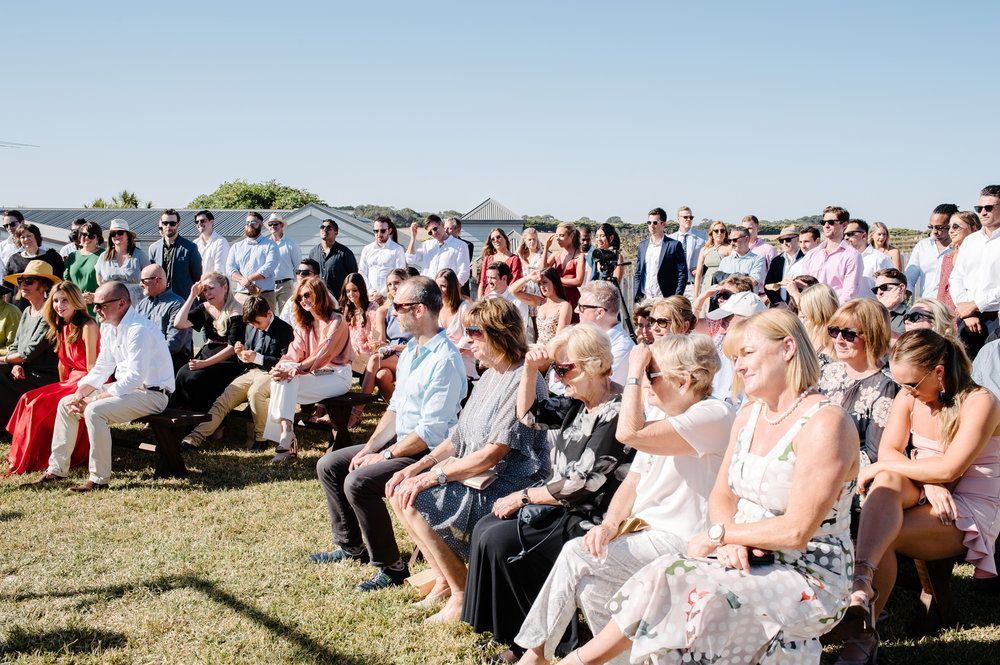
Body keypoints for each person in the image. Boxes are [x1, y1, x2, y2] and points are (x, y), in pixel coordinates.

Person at [551, 309, 859, 665]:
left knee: (681, 583)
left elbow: (796, 531)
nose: (738, 367)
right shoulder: (750, 415)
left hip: (807, 574)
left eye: (747, 353)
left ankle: (576, 662)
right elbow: (723, 494)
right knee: (666, 575)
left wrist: (722, 535)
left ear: (788, 348)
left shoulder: (825, 423)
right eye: (734, 358)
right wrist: (728, 538)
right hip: (743, 556)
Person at [515, 335, 736, 665]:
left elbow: (628, 434)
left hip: (688, 543)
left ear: (684, 380)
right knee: (590, 585)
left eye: (651, 374)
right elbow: (633, 481)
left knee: (576, 553)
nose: (644, 381)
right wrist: (608, 525)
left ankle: (534, 656)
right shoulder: (666, 416)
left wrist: (632, 370)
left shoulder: (712, 414)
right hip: (649, 535)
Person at [462, 324, 636, 654]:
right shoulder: (580, 403)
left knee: (502, 541)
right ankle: (509, 628)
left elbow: (583, 483)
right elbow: (528, 415)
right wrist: (530, 369)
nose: (558, 376)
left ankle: (542, 642)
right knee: (487, 527)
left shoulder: (615, 410)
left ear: (593, 364)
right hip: (561, 508)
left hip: (591, 517)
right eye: (555, 368)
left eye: (564, 368)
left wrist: (524, 496)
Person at [837, 329, 1000, 663]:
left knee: (885, 533)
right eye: (901, 385)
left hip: (971, 503)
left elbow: (951, 469)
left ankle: (862, 637)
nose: (906, 391)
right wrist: (929, 481)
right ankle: (862, 582)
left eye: (911, 383)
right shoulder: (909, 397)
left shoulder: (980, 401)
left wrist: (931, 475)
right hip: (930, 489)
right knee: (886, 478)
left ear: (938, 372)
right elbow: (889, 451)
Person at [388, 298, 549, 622]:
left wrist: (434, 477)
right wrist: (417, 467)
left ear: (498, 334)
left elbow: (494, 452)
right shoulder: (491, 374)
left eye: (474, 331)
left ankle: (462, 594)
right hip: (481, 474)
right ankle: (446, 580)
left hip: (512, 481)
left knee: (417, 498)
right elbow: (458, 437)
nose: (467, 338)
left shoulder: (522, 379)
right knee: (401, 490)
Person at [310, 276, 466, 593]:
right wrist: (368, 449)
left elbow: (429, 433)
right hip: (404, 445)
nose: (392, 312)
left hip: (429, 454)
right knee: (330, 465)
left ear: (420, 310)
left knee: (359, 482)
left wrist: (382, 456)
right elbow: (394, 409)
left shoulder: (446, 360)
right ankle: (351, 546)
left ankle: (391, 567)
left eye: (398, 306)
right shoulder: (410, 352)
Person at [31, 281, 175, 492]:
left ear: (122, 303)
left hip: (152, 394)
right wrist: (81, 392)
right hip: (128, 390)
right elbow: (103, 367)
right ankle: (56, 470)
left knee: (95, 411)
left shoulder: (139, 329)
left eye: (101, 305)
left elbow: (135, 377)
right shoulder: (108, 326)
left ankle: (99, 479)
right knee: (66, 403)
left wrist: (96, 398)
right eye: (95, 305)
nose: (95, 309)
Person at [6, 282, 99, 475]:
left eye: (65, 300)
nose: (59, 305)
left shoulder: (88, 325)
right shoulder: (62, 325)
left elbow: (93, 367)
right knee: (26, 399)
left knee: (37, 404)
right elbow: (63, 363)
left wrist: (78, 391)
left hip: (88, 381)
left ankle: (38, 457)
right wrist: (60, 385)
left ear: (76, 301)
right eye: (56, 300)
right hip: (71, 379)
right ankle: (23, 454)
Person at [180, 295, 294, 452]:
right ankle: (193, 438)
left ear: (269, 314)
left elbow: (286, 360)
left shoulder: (285, 329)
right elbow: (245, 359)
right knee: (224, 399)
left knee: (255, 393)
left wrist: (258, 357)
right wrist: (241, 354)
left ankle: (261, 439)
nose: (256, 327)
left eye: (258, 323)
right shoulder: (251, 328)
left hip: (272, 373)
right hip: (251, 371)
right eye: (252, 324)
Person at [265, 276, 354, 461]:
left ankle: (286, 439)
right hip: (314, 374)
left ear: (319, 294)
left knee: (288, 375)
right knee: (282, 377)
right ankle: (287, 433)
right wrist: (279, 368)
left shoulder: (336, 320)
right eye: (299, 297)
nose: (303, 300)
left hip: (338, 376)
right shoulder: (303, 325)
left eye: (307, 295)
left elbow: (324, 354)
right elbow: (292, 354)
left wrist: (293, 369)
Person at [819, 299, 899, 494]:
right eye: (834, 331)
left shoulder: (886, 386)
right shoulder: (826, 372)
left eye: (849, 334)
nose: (838, 340)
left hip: (850, 484)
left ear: (872, 336)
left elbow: (874, 454)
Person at [170, 272, 246, 410]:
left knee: (197, 378)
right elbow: (179, 323)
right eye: (204, 290)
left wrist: (204, 364)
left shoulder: (236, 311)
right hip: (208, 352)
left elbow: (231, 348)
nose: (208, 293)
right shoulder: (205, 307)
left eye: (211, 288)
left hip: (228, 359)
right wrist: (192, 296)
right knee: (182, 373)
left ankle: (204, 419)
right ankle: (179, 413)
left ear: (225, 287)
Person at [349, 268, 413, 427]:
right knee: (382, 376)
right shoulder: (382, 310)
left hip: (409, 353)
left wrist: (385, 347)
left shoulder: (414, 307)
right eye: (389, 284)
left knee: (374, 359)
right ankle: (402, 414)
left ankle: (356, 413)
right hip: (379, 356)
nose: (393, 287)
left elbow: (419, 341)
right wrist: (377, 344)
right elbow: (378, 340)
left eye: (397, 283)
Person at [0, 261, 60, 424]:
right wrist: (15, 364)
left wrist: (6, 360)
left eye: (29, 281)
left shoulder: (50, 314)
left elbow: (29, 352)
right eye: (21, 281)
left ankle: (9, 423)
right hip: (24, 368)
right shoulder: (27, 311)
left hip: (42, 376)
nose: (23, 285)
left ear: (45, 286)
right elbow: (16, 346)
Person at [950, 186, 1000, 358]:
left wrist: (976, 304)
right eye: (979, 208)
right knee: (965, 373)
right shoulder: (971, 241)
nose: (983, 213)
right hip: (967, 319)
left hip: (996, 317)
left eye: (989, 208)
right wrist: (967, 310)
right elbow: (956, 278)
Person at [797, 205, 864, 302]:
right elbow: (804, 286)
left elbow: (850, 294)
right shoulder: (811, 254)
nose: (826, 225)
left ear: (844, 225)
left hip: (837, 312)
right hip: (812, 310)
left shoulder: (852, 256)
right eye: (823, 222)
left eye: (831, 222)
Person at [576, 280, 634, 386]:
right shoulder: (585, 337)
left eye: (581, 307)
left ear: (599, 313)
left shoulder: (622, 348)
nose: (576, 310)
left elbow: (593, 388)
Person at [136, 264, 193, 372]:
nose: (140, 285)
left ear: (157, 280)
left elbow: (174, 344)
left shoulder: (177, 305)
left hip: (170, 361)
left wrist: (147, 355)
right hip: (145, 358)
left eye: (143, 281)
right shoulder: (142, 304)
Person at [226, 211, 280, 309]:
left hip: (264, 296)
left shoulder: (271, 245)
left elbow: (268, 267)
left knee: (266, 324)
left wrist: (248, 279)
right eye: (247, 223)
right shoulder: (236, 247)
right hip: (241, 296)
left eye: (253, 222)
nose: (249, 225)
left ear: (261, 225)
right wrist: (244, 282)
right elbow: (230, 269)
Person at [905, 203, 958, 300]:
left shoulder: (961, 248)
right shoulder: (922, 246)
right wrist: (905, 297)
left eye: (939, 227)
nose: (933, 232)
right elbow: (909, 278)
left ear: (952, 226)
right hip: (927, 306)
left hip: (953, 307)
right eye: (931, 227)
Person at [5, 223, 64, 309]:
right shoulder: (14, 259)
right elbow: (8, 286)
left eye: (29, 236)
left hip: (45, 304)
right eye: (22, 237)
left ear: (36, 237)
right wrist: (7, 306)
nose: (26, 239)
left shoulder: (52, 257)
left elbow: (60, 282)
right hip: (19, 305)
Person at [634, 208, 687, 303]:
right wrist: (638, 293)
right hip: (645, 298)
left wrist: (677, 298)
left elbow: (682, 274)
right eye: (649, 223)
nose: (651, 226)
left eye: (655, 223)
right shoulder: (642, 246)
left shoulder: (674, 245)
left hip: (665, 298)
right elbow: (638, 272)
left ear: (663, 224)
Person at [148, 209, 202, 299]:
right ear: (161, 224)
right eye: (165, 223)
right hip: (160, 300)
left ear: (178, 224)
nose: (168, 226)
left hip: (184, 300)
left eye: (172, 223)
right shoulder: (153, 248)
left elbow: (197, 277)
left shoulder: (190, 247)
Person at [510, 267, 573, 346]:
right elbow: (513, 291)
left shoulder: (564, 306)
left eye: (545, 282)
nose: (542, 286)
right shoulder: (540, 302)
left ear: (554, 282)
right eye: (539, 284)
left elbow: (560, 339)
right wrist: (528, 277)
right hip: (538, 348)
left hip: (554, 351)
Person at [95, 219, 149, 305]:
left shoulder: (140, 255)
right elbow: (99, 281)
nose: (116, 236)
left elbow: (149, 278)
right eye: (113, 234)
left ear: (128, 235)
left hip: (136, 304)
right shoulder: (103, 257)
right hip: (110, 304)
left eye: (120, 232)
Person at [406, 214, 470, 286]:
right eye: (430, 232)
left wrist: (452, 289)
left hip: (447, 290)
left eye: (435, 228)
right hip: (427, 288)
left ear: (442, 224)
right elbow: (410, 259)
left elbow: (464, 272)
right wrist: (413, 236)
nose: (434, 233)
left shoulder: (460, 245)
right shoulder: (426, 245)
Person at [436, 268, 477, 379]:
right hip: (441, 356)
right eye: (437, 286)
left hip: (462, 358)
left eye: (443, 286)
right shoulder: (436, 307)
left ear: (452, 287)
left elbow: (470, 337)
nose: (439, 290)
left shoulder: (464, 307)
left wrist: (451, 353)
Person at [937, 210, 981, 314]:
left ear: (973, 228)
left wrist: (969, 314)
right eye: (949, 227)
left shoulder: (981, 256)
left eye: (956, 226)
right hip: (947, 314)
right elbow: (942, 291)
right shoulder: (947, 257)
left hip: (972, 313)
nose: (950, 231)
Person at [357, 214, 406, 301]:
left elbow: (399, 274)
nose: (379, 234)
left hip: (389, 297)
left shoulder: (398, 249)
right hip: (370, 296)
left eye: (382, 231)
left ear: (389, 230)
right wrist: (371, 291)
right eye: (376, 231)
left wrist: (382, 293)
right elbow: (362, 272)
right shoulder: (367, 249)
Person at [309, 218, 359, 299]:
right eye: (322, 227)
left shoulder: (345, 253)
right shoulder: (313, 253)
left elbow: (353, 278)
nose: (324, 229)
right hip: (319, 300)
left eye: (329, 228)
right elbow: (310, 277)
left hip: (339, 300)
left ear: (336, 232)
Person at [340, 272, 379, 375]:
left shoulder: (372, 307)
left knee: (352, 369)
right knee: (333, 367)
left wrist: (363, 351)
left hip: (368, 353)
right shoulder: (347, 310)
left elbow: (376, 335)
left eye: (355, 290)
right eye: (348, 291)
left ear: (361, 289)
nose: (351, 294)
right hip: (350, 353)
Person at [543, 222, 586, 313]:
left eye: (562, 235)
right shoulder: (556, 254)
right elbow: (543, 269)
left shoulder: (580, 256)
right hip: (556, 296)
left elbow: (578, 281)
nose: (558, 239)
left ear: (572, 235)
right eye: (557, 236)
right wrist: (546, 248)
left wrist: (557, 280)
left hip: (571, 298)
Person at [844, 219, 892, 298]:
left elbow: (891, 289)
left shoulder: (880, 259)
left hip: (872, 308)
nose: (846, 237)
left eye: (850, 234)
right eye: (844, 234)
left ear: (864, 235)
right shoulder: (844, 258)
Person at [62, 220, 103, 314]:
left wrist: (95, 296)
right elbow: (66, 281)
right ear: (80, 236)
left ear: (98, 238)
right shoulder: (72, 256)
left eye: (91, 235)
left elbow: (110, 282)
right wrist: (78, 296)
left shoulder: (104, 255)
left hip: (97, 307)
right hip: (75, 306)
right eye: (84, 234)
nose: (87, 238)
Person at [795, 283, 839, 366]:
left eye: (803, 310)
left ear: (817, 311)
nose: (800, 315)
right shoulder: (805, 334)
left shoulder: (838, 340)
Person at [266, 213, 302, 312]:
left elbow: (298, 267)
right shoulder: (265, 245)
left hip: (286, 285)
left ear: (281, 225)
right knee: (268, 315)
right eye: (270, 224)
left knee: (286, 315)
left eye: (275, 224)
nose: (273, 226)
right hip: (268, 285)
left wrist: (297, 286)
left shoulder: (291, 244)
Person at [763, 225, 804, 306]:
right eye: (781, 240)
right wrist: (778, 303)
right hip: (780, 308)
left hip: (800, 306)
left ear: (797, 239)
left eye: (788, 239)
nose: (784, 243)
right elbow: (768, 285)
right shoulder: (776, 261)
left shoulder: (806, 259)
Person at [693, 221, 731, 306]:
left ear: (726, 233)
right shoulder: (704, 250)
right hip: (707, 284)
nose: (719, 233)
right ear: (711, 233)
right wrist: (696, 296)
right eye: (716, 231)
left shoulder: (730, 248)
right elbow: (698, 274)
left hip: (724, 284)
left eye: (722, 230)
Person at [478, 228, 523, 299]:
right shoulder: (488, 259)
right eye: (493, 239)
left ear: (505, 238)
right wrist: (480, 301)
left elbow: (515, 282)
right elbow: (482, 283)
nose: (496, 240)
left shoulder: (514, 259)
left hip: (506, 298)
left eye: (498, 237)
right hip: (488, 297)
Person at [667, 206, 706, 286]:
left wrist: (703, 268)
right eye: (685, 217)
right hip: (675, 285)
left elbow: (711, 255)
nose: (688, 219)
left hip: (695, 284)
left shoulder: (703, 236)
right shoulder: (669, 239)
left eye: (691, 217)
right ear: (678, 219)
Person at [279, 258, 322, 326]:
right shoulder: (291, 301)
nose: (300, 275)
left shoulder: (326, 298)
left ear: (317, 277)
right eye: (298, 272)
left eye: (305, 273)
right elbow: (283, 324)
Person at [871, 267, 909, 335]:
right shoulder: (873, 314)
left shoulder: (910, 316)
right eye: (876, 289)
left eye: (883, 287)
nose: (879, 292)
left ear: (901, 288)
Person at [445, 216, 476, 295]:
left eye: (449, 228)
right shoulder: (442, 245)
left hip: (460, 287)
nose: (446, 231)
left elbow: (463, 265)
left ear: (458, 230)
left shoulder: (467, 245)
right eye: (445, 228)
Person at [192, 210, 230, 276]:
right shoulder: (194, 243)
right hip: (197, 284)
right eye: (197, 221)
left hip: (214, 284)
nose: (199, 223)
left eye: (202, 220)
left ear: (211, 222)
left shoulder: (221, 242)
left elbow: (219, 270)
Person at [0, 210, 24, 280]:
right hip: (8, 287)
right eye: (6, 226)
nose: (9, 228)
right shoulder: (2, 246)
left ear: (22, 223)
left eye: (12, 224)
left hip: (29, 286)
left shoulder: (35, 243)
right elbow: (1, 271)